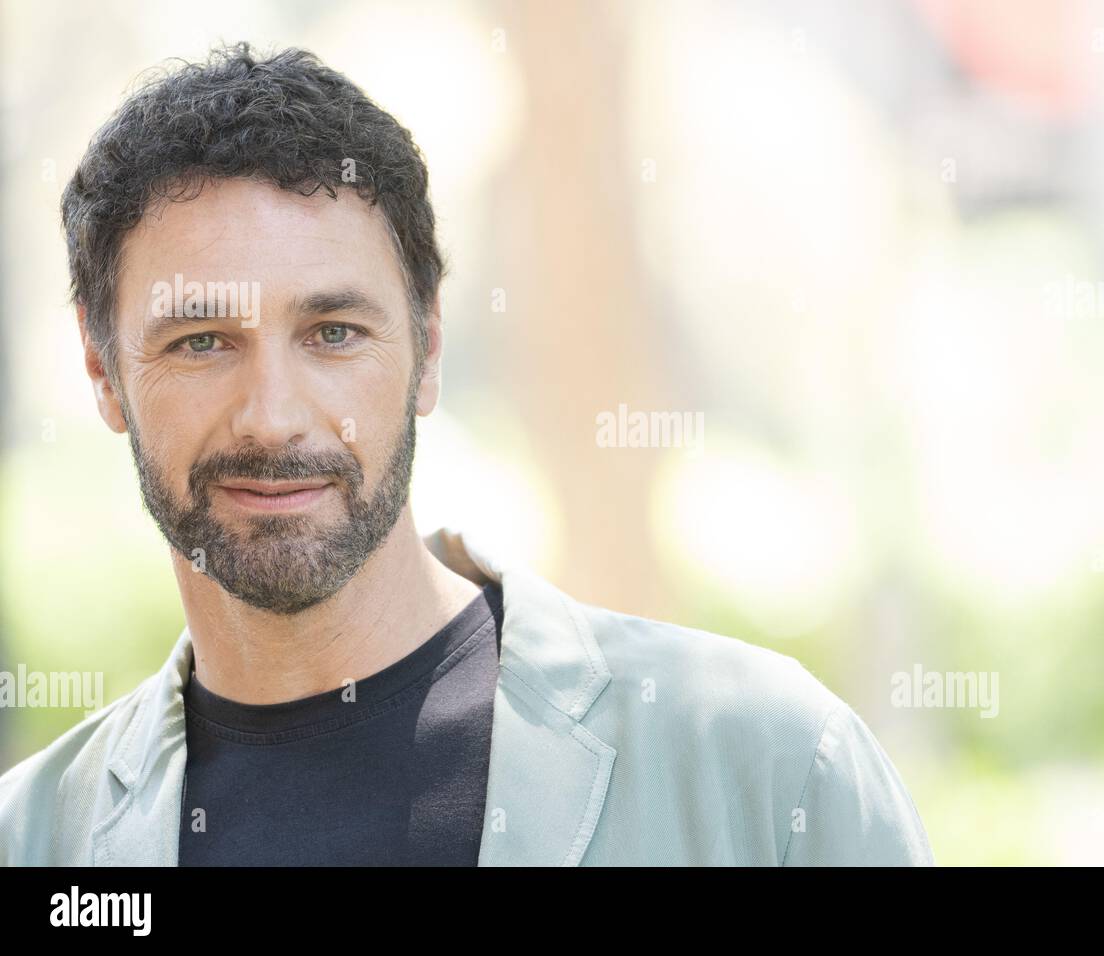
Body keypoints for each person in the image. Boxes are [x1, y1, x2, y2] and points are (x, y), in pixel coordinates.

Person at [0, 42, 934, 866]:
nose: (274, 418)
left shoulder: (765, 769)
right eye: (202, 343)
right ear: (102, 369)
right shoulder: (31, 840)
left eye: (332, 332)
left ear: (429, 349)